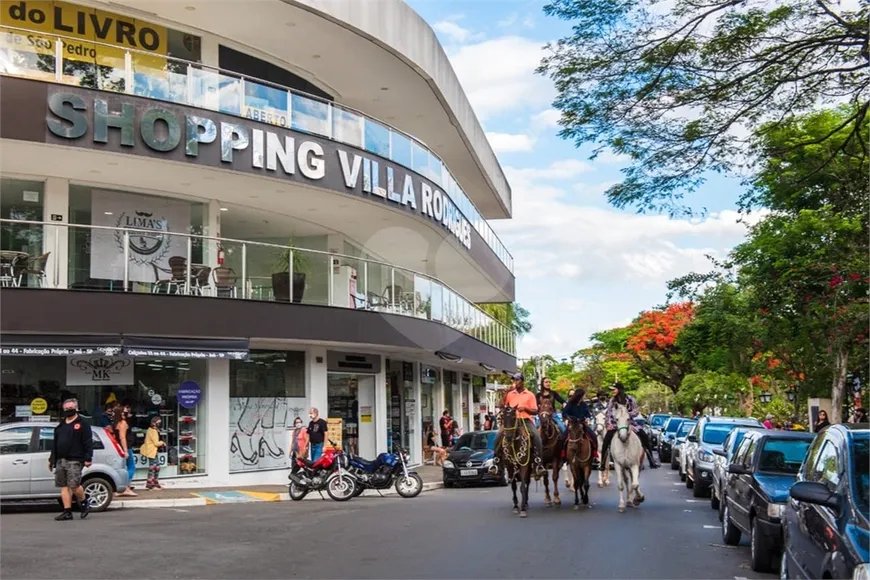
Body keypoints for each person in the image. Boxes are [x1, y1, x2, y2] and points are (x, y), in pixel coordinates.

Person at [493, 373, 546, 477]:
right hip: (511, 421)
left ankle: (538, 464)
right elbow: (500, 406)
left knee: (537, 437)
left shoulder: (530, 394)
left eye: (517, 380)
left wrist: (525, 408)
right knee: (498, 436)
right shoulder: (510, 394)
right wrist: (505, 394)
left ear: (522, 381)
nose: (515, 382)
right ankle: (496, 463)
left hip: (525, 420)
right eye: (514, 380)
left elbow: (535, 411)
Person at [49, 399, 94, 521]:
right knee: (63, 486)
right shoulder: (61, 425)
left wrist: (88, 457)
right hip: (60, 459)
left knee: (74, 485)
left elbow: (88, 442)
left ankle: (84, 502)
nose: (69, 410)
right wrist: (52, 459)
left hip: (75, 459)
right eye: (66, 408)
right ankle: (67, 511)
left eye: (71, 407)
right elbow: (55, 443)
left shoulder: (83, 424)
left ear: (76, 408)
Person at [599, 382, 659, 470]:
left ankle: (651, 460)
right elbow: (608, 413)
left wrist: (626, 414)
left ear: (619, 390)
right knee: (606, 441)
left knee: (644, 436)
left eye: (614, 389)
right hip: (615, 424)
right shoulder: (612, 400)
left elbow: (636, 411)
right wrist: (608, 424)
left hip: (629, 423)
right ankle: (603, 463)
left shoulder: (630, 399)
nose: (613, 391)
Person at [560, 388, 599, 458]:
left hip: (582, 424)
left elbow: (588, 414)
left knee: (593, 436)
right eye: (583, 395)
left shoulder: (583, 404)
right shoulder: (570, 404)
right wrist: (571, 418)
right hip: (572, 424)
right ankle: (562, 454)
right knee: (562, 438)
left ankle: (594, 453)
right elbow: (564, 413)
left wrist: (587, 417)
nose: (584, 397)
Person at [113, 403, 137, 497]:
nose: (126, 412)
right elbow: (122, 437)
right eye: (124, 411)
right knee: (131, 467)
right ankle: (126, 487)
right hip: (126, 448)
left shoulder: (116, 423)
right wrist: (126, 450)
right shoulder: (122, 423)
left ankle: (123, 488)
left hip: (120, 448)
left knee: (124, 467)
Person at [138, 416, 165, 490]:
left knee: (156, 467)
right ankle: (151, 485)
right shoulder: (153, 431)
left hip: (153, 451)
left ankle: (155, 483)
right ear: (154, 423)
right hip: (151, 451)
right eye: (158, 422)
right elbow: (156, 443)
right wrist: (162, 442)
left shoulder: (151, 430)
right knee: (153, 468)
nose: (159, 424)